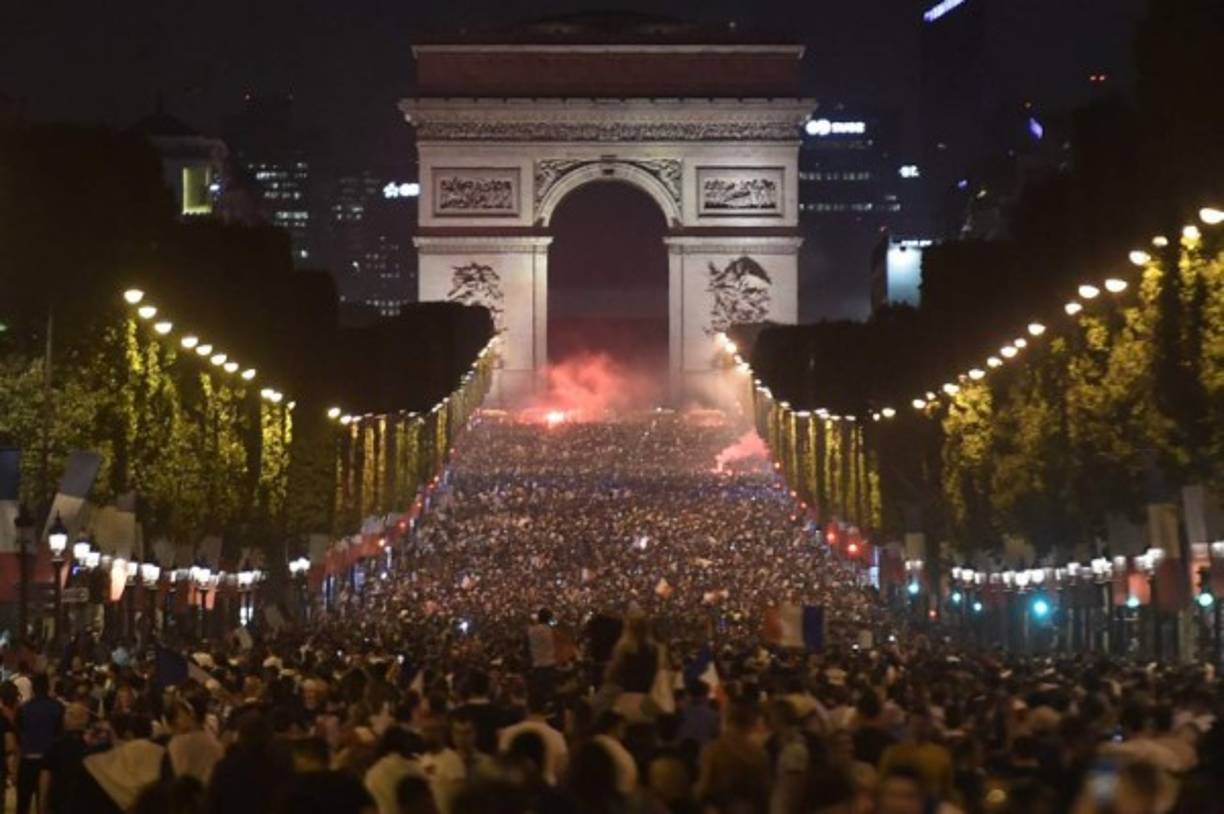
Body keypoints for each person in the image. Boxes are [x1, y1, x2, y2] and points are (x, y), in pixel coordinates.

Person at [16, 673, 64, 814]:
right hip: (50, 762)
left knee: (23, 804)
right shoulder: (58, 707)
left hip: (27, 759)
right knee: (45, 805)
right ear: (48, 687)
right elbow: (60, 734)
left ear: (33, 688)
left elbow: (19, 736)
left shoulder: (23, 709)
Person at [497, 690, 568, 786]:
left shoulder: (507, 733)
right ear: (546, 709)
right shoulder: (558, 737)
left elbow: (500, 768)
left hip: (513, 791)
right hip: (547, 793)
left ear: (527, 706)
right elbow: (561, 773)